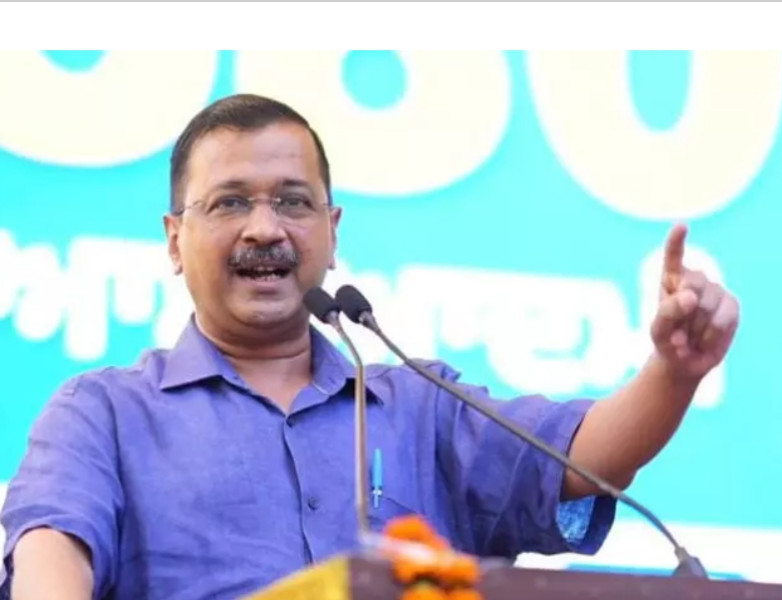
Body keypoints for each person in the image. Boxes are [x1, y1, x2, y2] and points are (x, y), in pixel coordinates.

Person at [0, 93, 739, 600]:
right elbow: (49, 560)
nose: (265, 228)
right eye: (230, 202)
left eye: (293, 201)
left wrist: (674, 372)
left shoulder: (416, 405)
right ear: (173, 240)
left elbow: (582, 459)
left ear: (331, 233)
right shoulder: (104, 413)